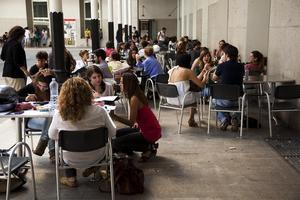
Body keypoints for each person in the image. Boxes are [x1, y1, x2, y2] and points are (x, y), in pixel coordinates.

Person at [49, 77, 116, 187]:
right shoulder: (100, 111)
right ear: (87, 92)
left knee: (61, 146)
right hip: (98, 156)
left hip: (69, 159)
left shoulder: (59, 115)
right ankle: (98, 171)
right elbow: (113, 133)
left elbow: (51, 135)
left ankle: (71, 178)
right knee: (106, 143)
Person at [110, 73, 161, 162]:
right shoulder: (137, 94)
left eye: (122, 83)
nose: (120, 85)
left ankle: (147, 147)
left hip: (150, 132)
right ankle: (145, 146)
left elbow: (131, 123)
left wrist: (115, 117)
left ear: (128, 84)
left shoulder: (134, 98)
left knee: (116, 143)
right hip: (149, 128)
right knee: (117, 133)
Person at [17, 73, 54, 161]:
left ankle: (44, 144)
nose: (42, 88)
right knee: (52, 123)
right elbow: (14, 96)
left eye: (45, 87)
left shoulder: (53, 88)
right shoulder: (32, 86)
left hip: (47, 119)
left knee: (51, 120)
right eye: (40, 85)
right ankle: (52, 152)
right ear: (37, 83)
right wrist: (26, 98)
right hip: (33, 119)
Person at [167, 53, 209, 127]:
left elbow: (194, 81)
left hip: (170, 98)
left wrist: (202, 73)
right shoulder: (188, 71)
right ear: (188, 61)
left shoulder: (172, 70)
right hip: (182, 100)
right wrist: (205, 77)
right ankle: (191, 119)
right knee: (196, 93)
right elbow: (201, 85)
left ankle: (191, 118)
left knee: (191, 92)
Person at [211, 44, 244, 131]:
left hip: (224, 100)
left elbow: (214, 78)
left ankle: (224, 119)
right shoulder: (241, 66)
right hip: (238, 100)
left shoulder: (222, 66)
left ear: (226, 55)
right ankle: (235, 118)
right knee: (238, 105)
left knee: (213, 101)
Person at [1, 26, 31, 91]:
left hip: (6, 73)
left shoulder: (6, 43)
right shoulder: (17, 45)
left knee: (9, 95)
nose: (23, 37)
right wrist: (26, 72)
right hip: (16, 75)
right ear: (19, 35)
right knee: (19, 95)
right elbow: (18, 61)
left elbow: (2, 57)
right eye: (23, 35)